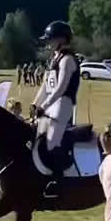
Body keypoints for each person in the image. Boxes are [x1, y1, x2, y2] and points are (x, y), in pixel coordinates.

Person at [31, 21, 80, 176]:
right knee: (35, 140)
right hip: (51, 105)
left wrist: (43, 106)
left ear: (62, 40)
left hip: (62, 105)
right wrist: (35, 104)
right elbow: (45, 87)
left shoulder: (68, 60)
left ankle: (59, 180)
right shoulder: (54, 60)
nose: (48, 42)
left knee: (51, 143)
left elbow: (61, 88)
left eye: (50, 39)